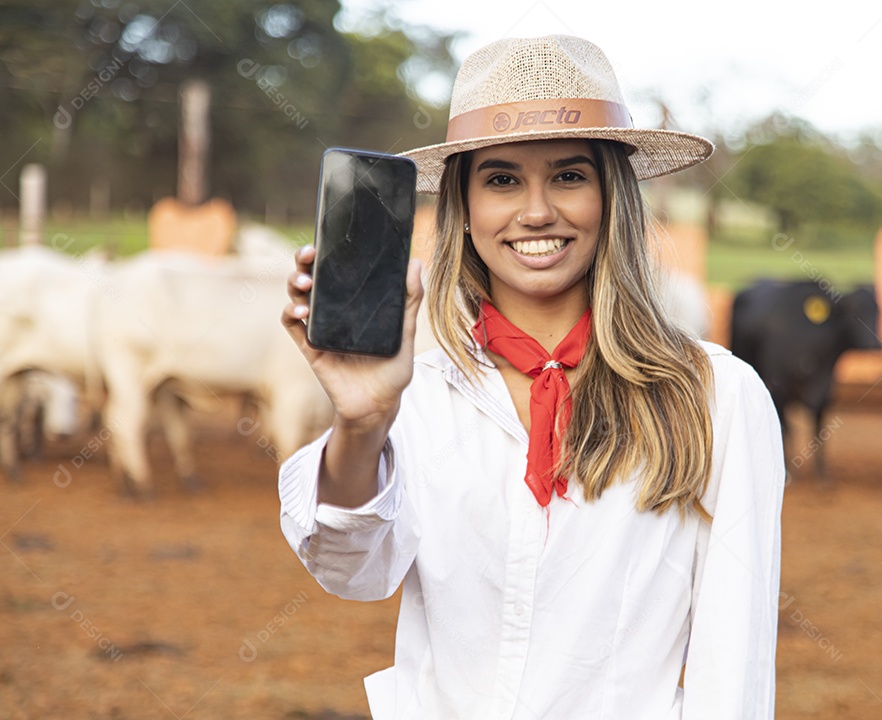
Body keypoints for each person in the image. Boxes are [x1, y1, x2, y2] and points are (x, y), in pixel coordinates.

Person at [279, 34, 785, 720]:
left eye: (569, 176)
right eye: (502, 179)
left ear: (612, 196)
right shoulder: (415, 397)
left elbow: (736, 662)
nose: (537, 211)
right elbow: (351, 569)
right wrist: (363, 423)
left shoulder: (717, 398)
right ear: (463, 207)